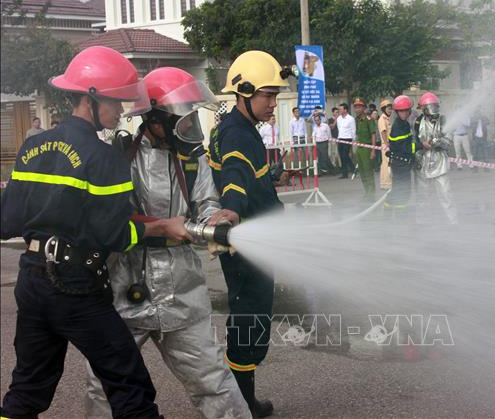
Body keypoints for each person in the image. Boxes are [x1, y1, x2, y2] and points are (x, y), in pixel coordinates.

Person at [0, 46, 192, 419]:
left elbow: (7, 222)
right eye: (117, 102)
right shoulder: (103, 158)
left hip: (32, 280)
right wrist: (161, 228)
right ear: (91, 98)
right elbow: (114, 234)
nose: (121, 111)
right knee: (130, 385)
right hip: (74, 287)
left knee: (27, 389)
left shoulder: (32, 146)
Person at [83, 67, 251, 419]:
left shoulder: (194, 159)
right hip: (126, 287)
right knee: (105, 384)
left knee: (213, 380)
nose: (190, 124)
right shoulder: (118, 157)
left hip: (183, 289)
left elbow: (206, 203)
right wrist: (160, 227)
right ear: (155, 118)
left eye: (193, 115)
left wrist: (216, 220)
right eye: (183, 116)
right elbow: (108, 218)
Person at [206, 50, 291, 418]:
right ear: (243, 92)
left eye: (275, 95)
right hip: (245, 244)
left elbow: (246, 173)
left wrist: (270, 177)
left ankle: (243, 401)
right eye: (268, 96)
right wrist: (234, 209)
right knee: (248, 319)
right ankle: (242, 406)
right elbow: (235, 176)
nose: (274, 103)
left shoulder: (239, 129)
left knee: (250, 317)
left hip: (253, 241)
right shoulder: (237, 135)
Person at [414, 92, 458, 225]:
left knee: (446, 194)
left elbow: (448, 141)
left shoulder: (443, 120)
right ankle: (423, 222)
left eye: (435, 107)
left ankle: (453, 221)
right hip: (423, 162)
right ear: (423, 109)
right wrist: (421, 146)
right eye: (429, 107)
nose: (433, 111)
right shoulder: (418, 122)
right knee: (422, 196)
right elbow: (415, 139)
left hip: (440, 162)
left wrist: (435, 143)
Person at [386, 95, 420, 214]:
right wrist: (421, 145)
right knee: (403, 192)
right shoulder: (398, 126)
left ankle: (388, 212)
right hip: (400, 164)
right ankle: (401, 217)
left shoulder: (403, 124)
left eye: (406, 110)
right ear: (397, 111)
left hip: (402, 163)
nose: (404, 113)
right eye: (401, 111)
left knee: (397, 190)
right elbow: (405, 147)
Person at [353, 98, 376, 198]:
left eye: (359, 107)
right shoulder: (357, 120)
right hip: (360, 148)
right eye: (355, 107)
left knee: (368, 171)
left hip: (367, 148)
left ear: (363, 108)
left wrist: (373, 150)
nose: (357, 109)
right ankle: (367, 191)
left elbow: (373, 135)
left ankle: (371, 193)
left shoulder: (369, 119)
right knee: (362, 171)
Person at [335, 103, 356, 179]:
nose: (339, 110)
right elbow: (339, 129)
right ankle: (345, 173)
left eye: (341, 109)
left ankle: (353, 169)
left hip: (348, 139)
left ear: (345, 110)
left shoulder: (351, 119)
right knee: (342, 156)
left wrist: (353, 140)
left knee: (345, 155)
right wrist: (338, 138)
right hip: (340, 138)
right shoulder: (338, 119)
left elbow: (353, 130)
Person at [377, 99, 393, 190]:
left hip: (387, 144)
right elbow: (383, 132)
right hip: (386, 144)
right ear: (383, 109)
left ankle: (385, 183)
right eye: (388, 109)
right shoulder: (382, 119)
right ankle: (386, 183)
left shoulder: (386, 118)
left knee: (385, 164)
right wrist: (387, 145)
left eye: (391, 109)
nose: (390, 111)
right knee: (387, 164)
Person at [471, 106, 491, 171]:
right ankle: (475, 168)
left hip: (483, 138)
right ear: (475, 114)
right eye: (476, 114)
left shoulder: (484, 118)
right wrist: (476, 121)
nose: (478, 115)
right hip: (476, 138)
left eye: (479, 113)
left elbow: (488, 122)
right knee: (475, 154)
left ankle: (486, 168)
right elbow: (471, 124)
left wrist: (482, 119)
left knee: (485, 154)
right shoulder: (473, 119)